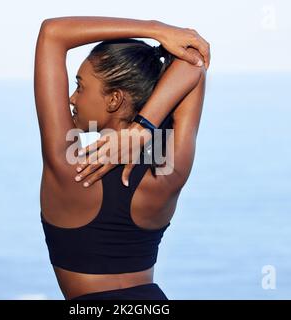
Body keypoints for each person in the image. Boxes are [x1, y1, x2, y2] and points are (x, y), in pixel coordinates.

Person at [34, 16, 209, 300]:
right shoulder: (166, 169)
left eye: (80, 86)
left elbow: (52, 33)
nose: (71, 99)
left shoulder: (70, 166)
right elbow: (193, 65)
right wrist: (142, 129)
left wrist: (155, 29)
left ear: (114, 99)